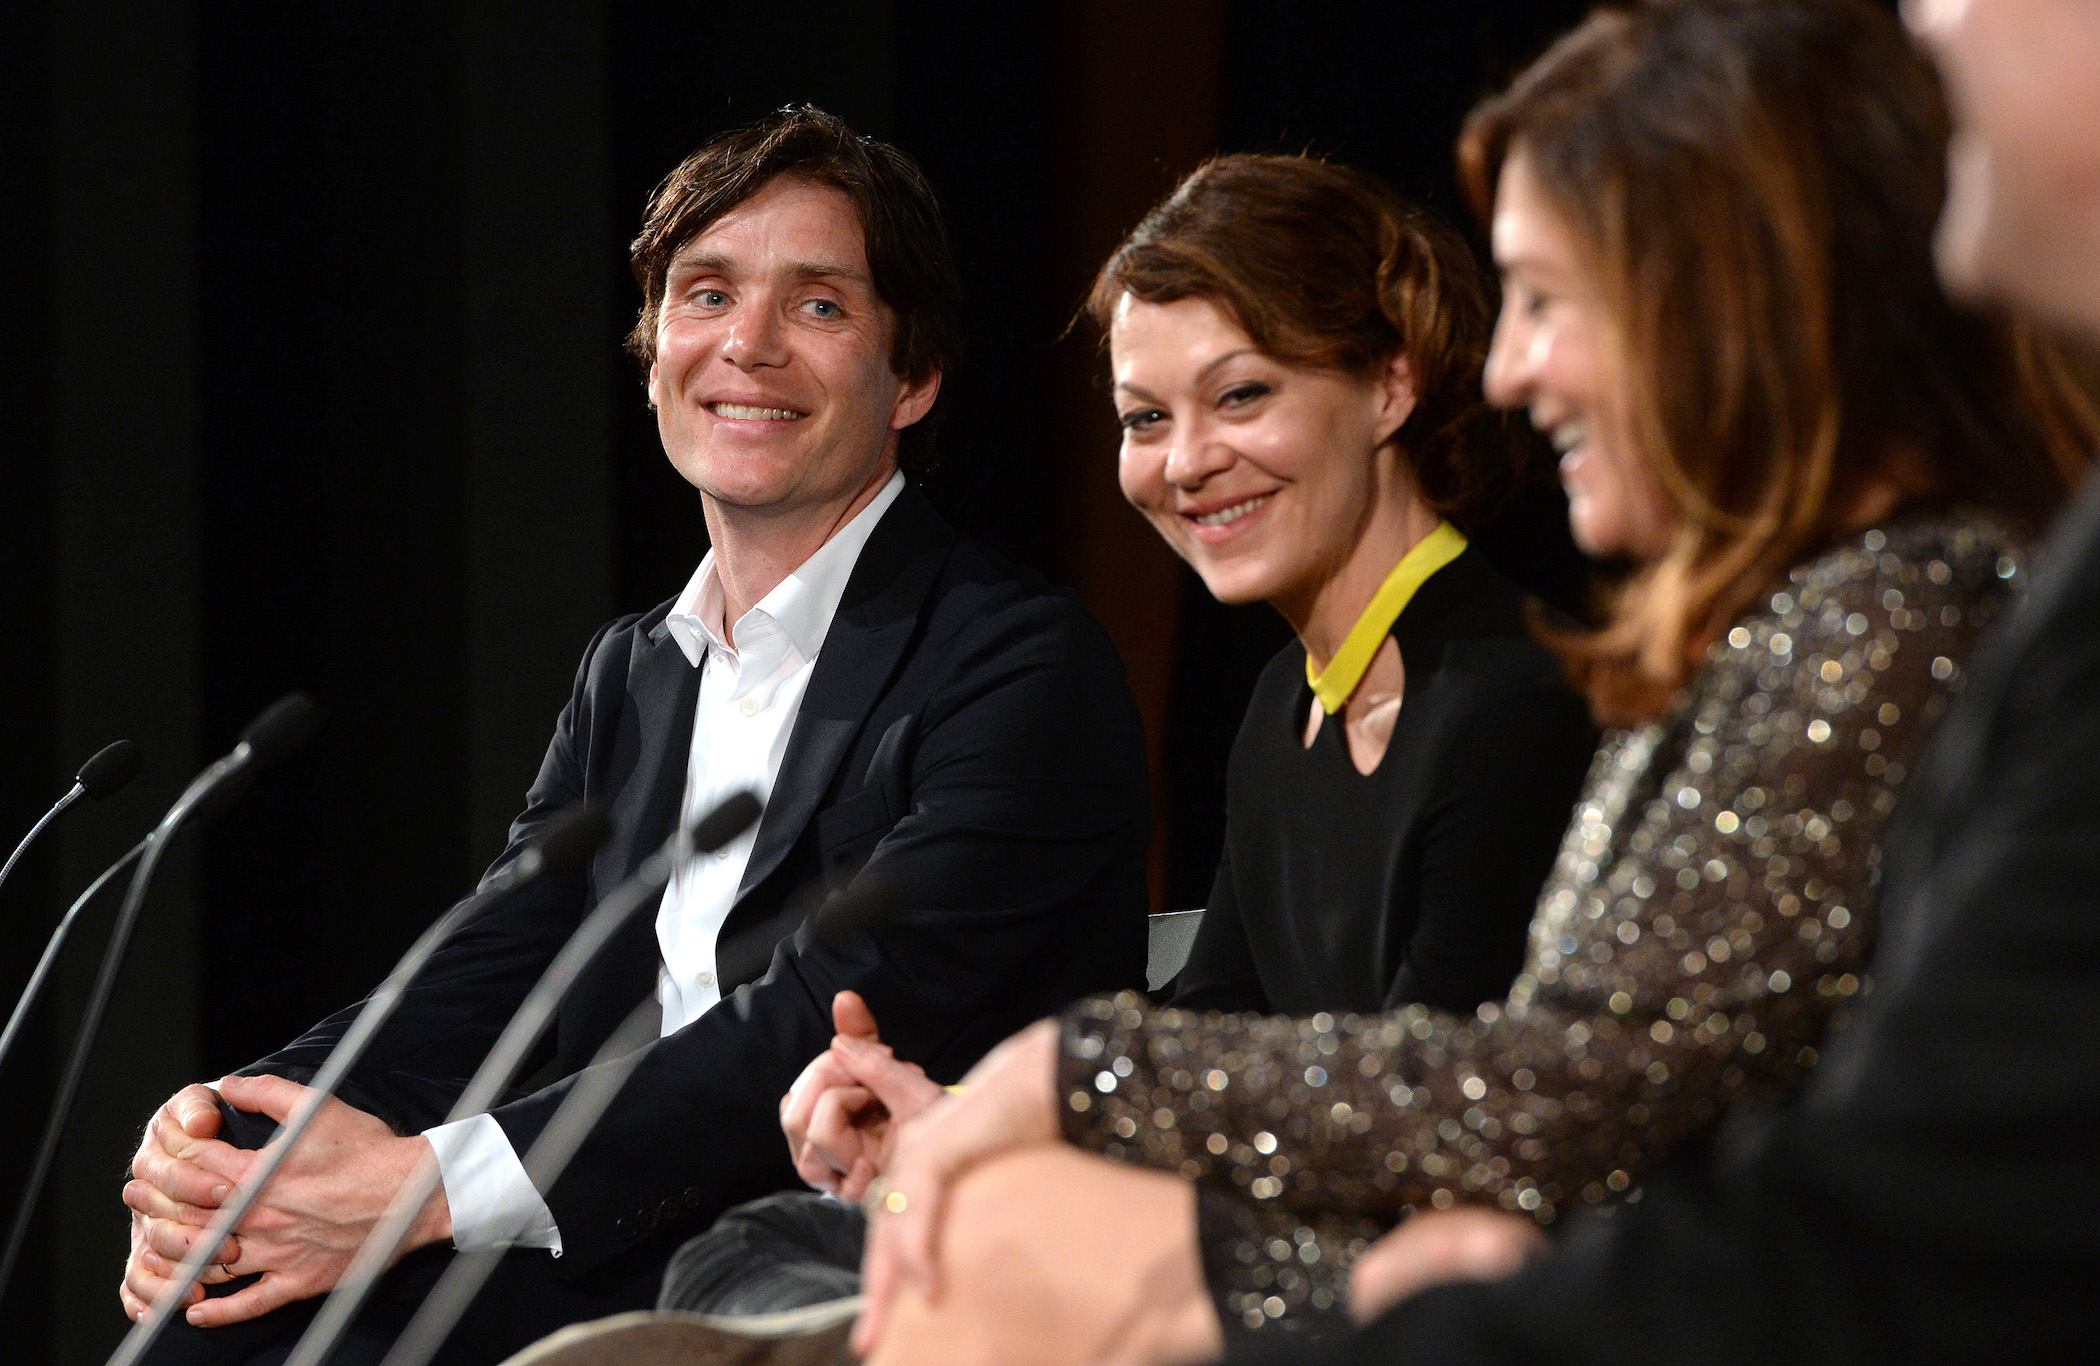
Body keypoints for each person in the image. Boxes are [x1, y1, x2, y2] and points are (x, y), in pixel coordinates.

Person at [844, 3, 2100, 1362]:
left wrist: (1070, 1079)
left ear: (1721, 297)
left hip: (1628, 1293)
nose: (1505, 366)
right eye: (1145, 417)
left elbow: (1559, 1088)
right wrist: (977, 1100)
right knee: (967, 1216)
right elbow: (1333, 1042)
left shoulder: (1867, 620)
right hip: (1556, 1255)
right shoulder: (1758, 627)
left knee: (991, 1236)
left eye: (1551, 301)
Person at [114, 105, 1152, 1364]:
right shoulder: (634, 669)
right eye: (705, 294)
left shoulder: (1015, 661)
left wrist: (425, 1186)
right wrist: (234, 1133)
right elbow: (497, 964)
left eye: (818, 306)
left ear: (914, 378)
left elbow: (817, 1014)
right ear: (655, 344)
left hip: (868, 1261)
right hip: (621, 1237)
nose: (748, 347)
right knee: (222, 1314)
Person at [636, 153, 1601, 1339]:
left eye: (1241, 396)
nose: (1186, 460)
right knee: (763, 1243)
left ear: (1391, 384)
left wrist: (1033, 1140)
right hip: (1281, 1247)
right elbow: (1213, 1049)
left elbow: (1427, 1127)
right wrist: (942, 1124)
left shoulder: (1513, 702)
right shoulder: (1278, 710)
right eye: (1147, 418)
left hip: (1440, 1298)